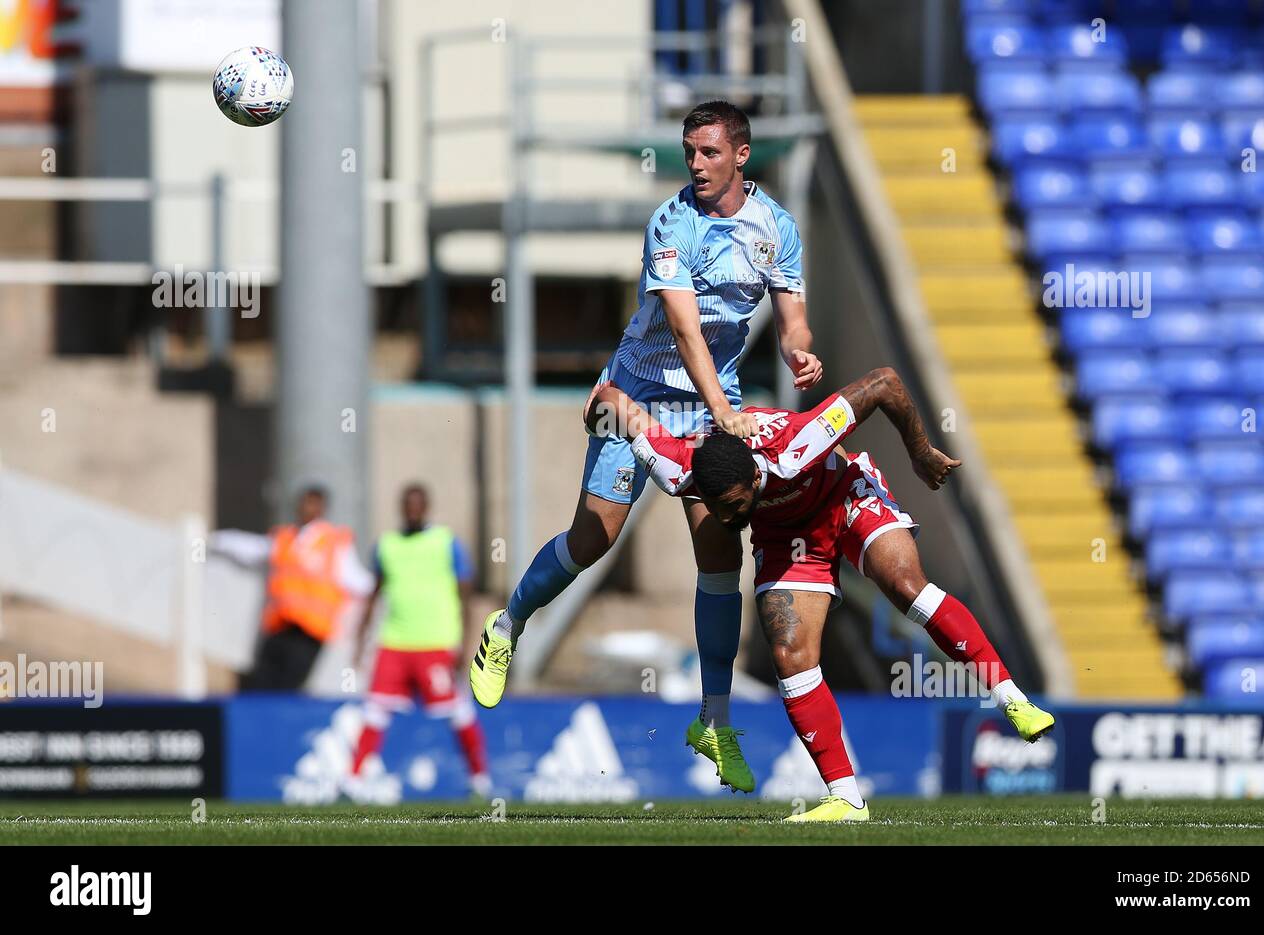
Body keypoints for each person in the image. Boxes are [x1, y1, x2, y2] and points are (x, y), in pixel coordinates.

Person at [469, 100, 823, 795]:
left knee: (721, 546)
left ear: (741, 156)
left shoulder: (776, 228)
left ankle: (713, 721)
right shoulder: (672, 222)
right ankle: (506, 624)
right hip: (634, 390)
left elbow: (793, 320)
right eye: (689, 150)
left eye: (709, 152)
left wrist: (801, 354)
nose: (695, 163)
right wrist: (726, 413)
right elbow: (687, 332)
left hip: (710, 405)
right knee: (594, 535)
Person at [583, 368, 1056, 822]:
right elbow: (621, 406)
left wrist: (920, 450)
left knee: (905, 587)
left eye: (733, 506)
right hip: (788, 539)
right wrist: (598, 405)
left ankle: (1012, 699)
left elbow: (885, 383)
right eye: (716, 507)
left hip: (846, 498)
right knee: (790, 654)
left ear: (752, 478)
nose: (727, 519)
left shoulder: (796, 444)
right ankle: (847, 799)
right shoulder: (677, 468)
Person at [350, 483, 490, 797]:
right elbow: (374, 595)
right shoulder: (386, 545)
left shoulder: (446, 542)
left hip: (436, 644)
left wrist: (465, 645)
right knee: (374, 710)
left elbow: (465, 598)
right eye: (407, 505)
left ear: (426, 507)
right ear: (402, 508)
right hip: (394, 643)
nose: (412, 510)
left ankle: (479, 779)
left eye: (418, 505)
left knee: (458, 712)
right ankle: (353, 780)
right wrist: (360, 641)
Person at [211, 486, 373, 692]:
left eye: (313, 503)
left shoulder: (333, 542)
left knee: (288, 686)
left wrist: (382, 588)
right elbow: (253, 548)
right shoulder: (285, 538)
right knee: (261, 682)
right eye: (304, 502)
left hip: (310, 631)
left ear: (322, 508)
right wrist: (218, 540)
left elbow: (356, 579)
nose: (307, 508)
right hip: (281, 624)